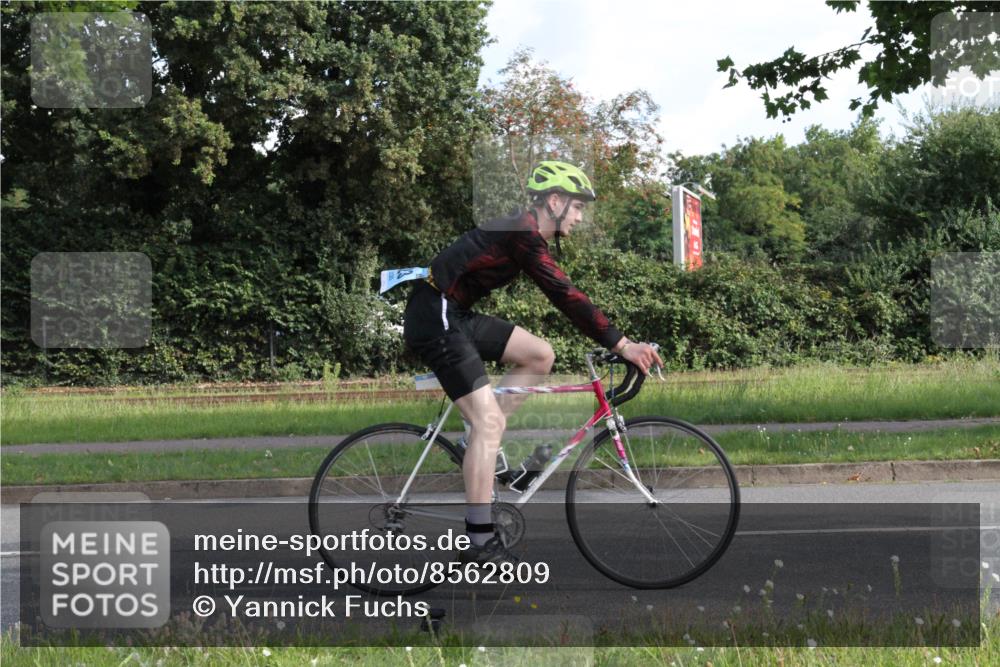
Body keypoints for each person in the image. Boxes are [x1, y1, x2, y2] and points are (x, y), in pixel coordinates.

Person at [402, 161, 663, 564]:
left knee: (540, 355)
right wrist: (621, 344)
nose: (579, 217)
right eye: (576, 207)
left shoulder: (524, 233)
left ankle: (475, 440)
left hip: (456, 314)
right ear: (554, 201)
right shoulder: (522, 233)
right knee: (490, 419)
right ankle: (479, 537)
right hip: (434, 315)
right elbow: (564, 294)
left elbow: (563, 294)